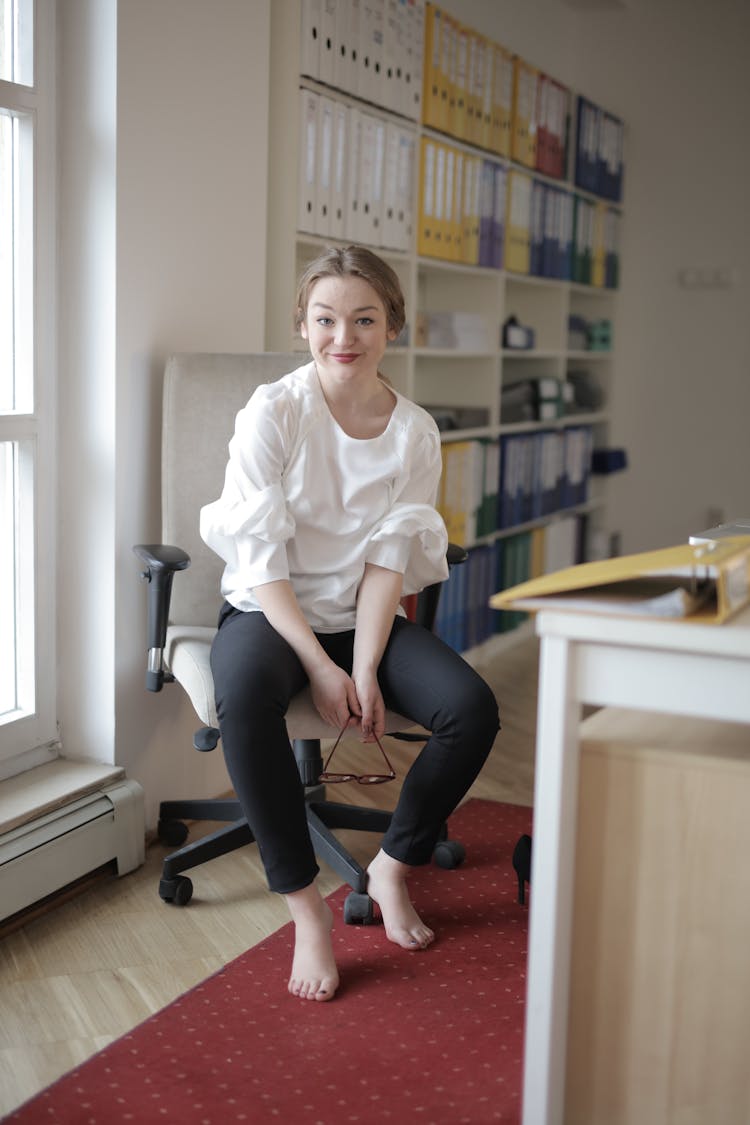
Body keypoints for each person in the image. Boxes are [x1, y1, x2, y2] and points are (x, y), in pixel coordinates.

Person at [200, 245, 500, 1002]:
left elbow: (386, 566)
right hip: (271, 614)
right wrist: (318, 663)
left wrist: (362, 665)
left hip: (358, 617)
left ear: (391, 325)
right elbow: (261, 558)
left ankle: (395, 866)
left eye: (364, 318)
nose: (345, 335)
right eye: (326, 318)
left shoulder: (413, 434)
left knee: (470, 709)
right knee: (242, 694)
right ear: (303, 323)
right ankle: (306, 911)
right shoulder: (275, 412)